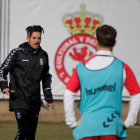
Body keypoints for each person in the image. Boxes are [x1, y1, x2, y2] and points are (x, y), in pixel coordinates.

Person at [64, 25, 140, 140]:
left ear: (95, 42)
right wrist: (129, 122)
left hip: (87, 127)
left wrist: (71, 122)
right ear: (114, 43)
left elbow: (68, 94)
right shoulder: (123, 67)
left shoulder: (81, 68)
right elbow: (136, 95)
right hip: (111, 127)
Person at [0, 25, 53, 140]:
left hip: (34, 100)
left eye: (39, 38)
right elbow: (2, 69)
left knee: (31, 136)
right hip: (19, 99)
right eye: (34, 38)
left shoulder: (43, 55)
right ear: (27, 38)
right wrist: (4, 85)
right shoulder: (17, 52)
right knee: (23, 131)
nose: (37, 41)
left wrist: (48, 97)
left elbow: (46, 77)